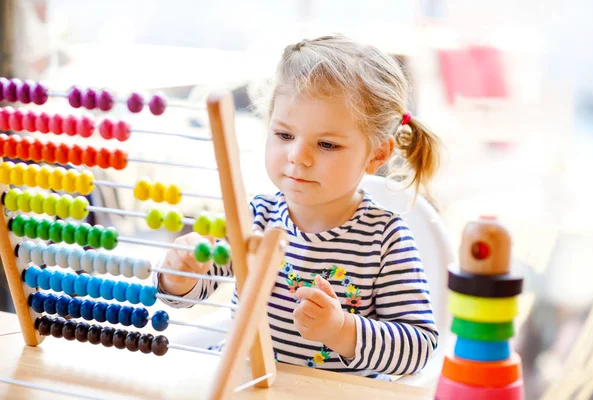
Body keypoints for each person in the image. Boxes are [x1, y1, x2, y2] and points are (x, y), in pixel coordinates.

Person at [153, 34, 442, 379]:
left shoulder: (384, 240)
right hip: (247, 384)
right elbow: (187, 295)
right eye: (285, 135)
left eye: (326, 144)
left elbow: (419, 347)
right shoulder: (256, 216)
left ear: (377, 154)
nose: (298, 157)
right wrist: (179, 274)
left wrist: (342, 330)